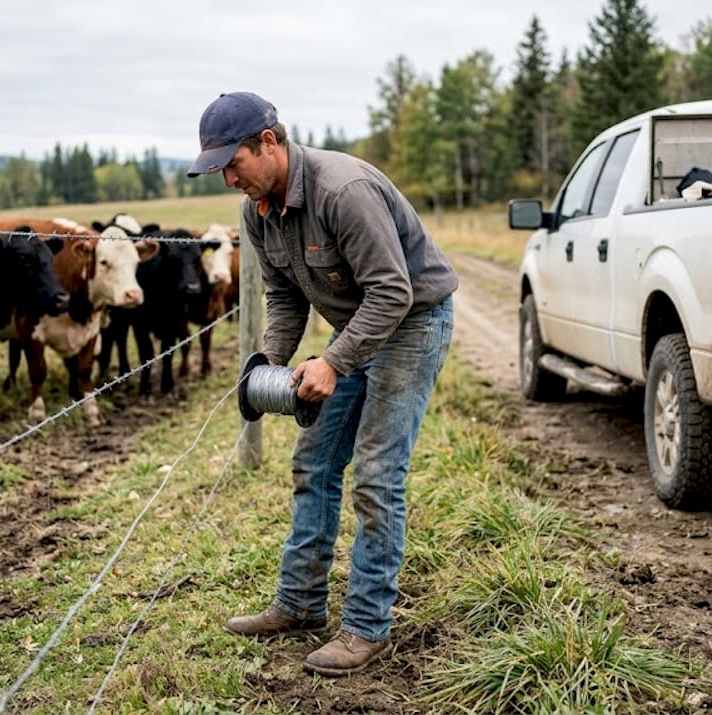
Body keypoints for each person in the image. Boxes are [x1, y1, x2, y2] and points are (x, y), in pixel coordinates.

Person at [187, 91, 458, 677]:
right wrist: (271, 365)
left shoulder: (342, 191)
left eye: (233, 163)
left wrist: (333, 362)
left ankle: (365, 626)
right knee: (314, 463)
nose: (230, 179)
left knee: (378, 473)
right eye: (220, 170)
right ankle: (300, 602)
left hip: (411, 322)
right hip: (355, 327)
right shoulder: (256, 209)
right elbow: (284, 294)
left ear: (269, 142)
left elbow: (393, 291)